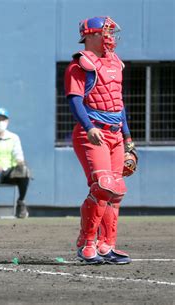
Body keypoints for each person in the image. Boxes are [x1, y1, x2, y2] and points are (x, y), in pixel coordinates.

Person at [64, 16, 138, 264]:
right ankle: (86, 244)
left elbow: (118, 104)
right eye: (105, 32)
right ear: (91, 35)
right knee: (104, 185)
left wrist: (127, 138)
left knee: (116, 191)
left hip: (115, 132)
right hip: (92, 132)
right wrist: (88, 126)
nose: (110, 37)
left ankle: (107, 246)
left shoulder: (115, 64)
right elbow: (75, 100)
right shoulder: (80, 64)